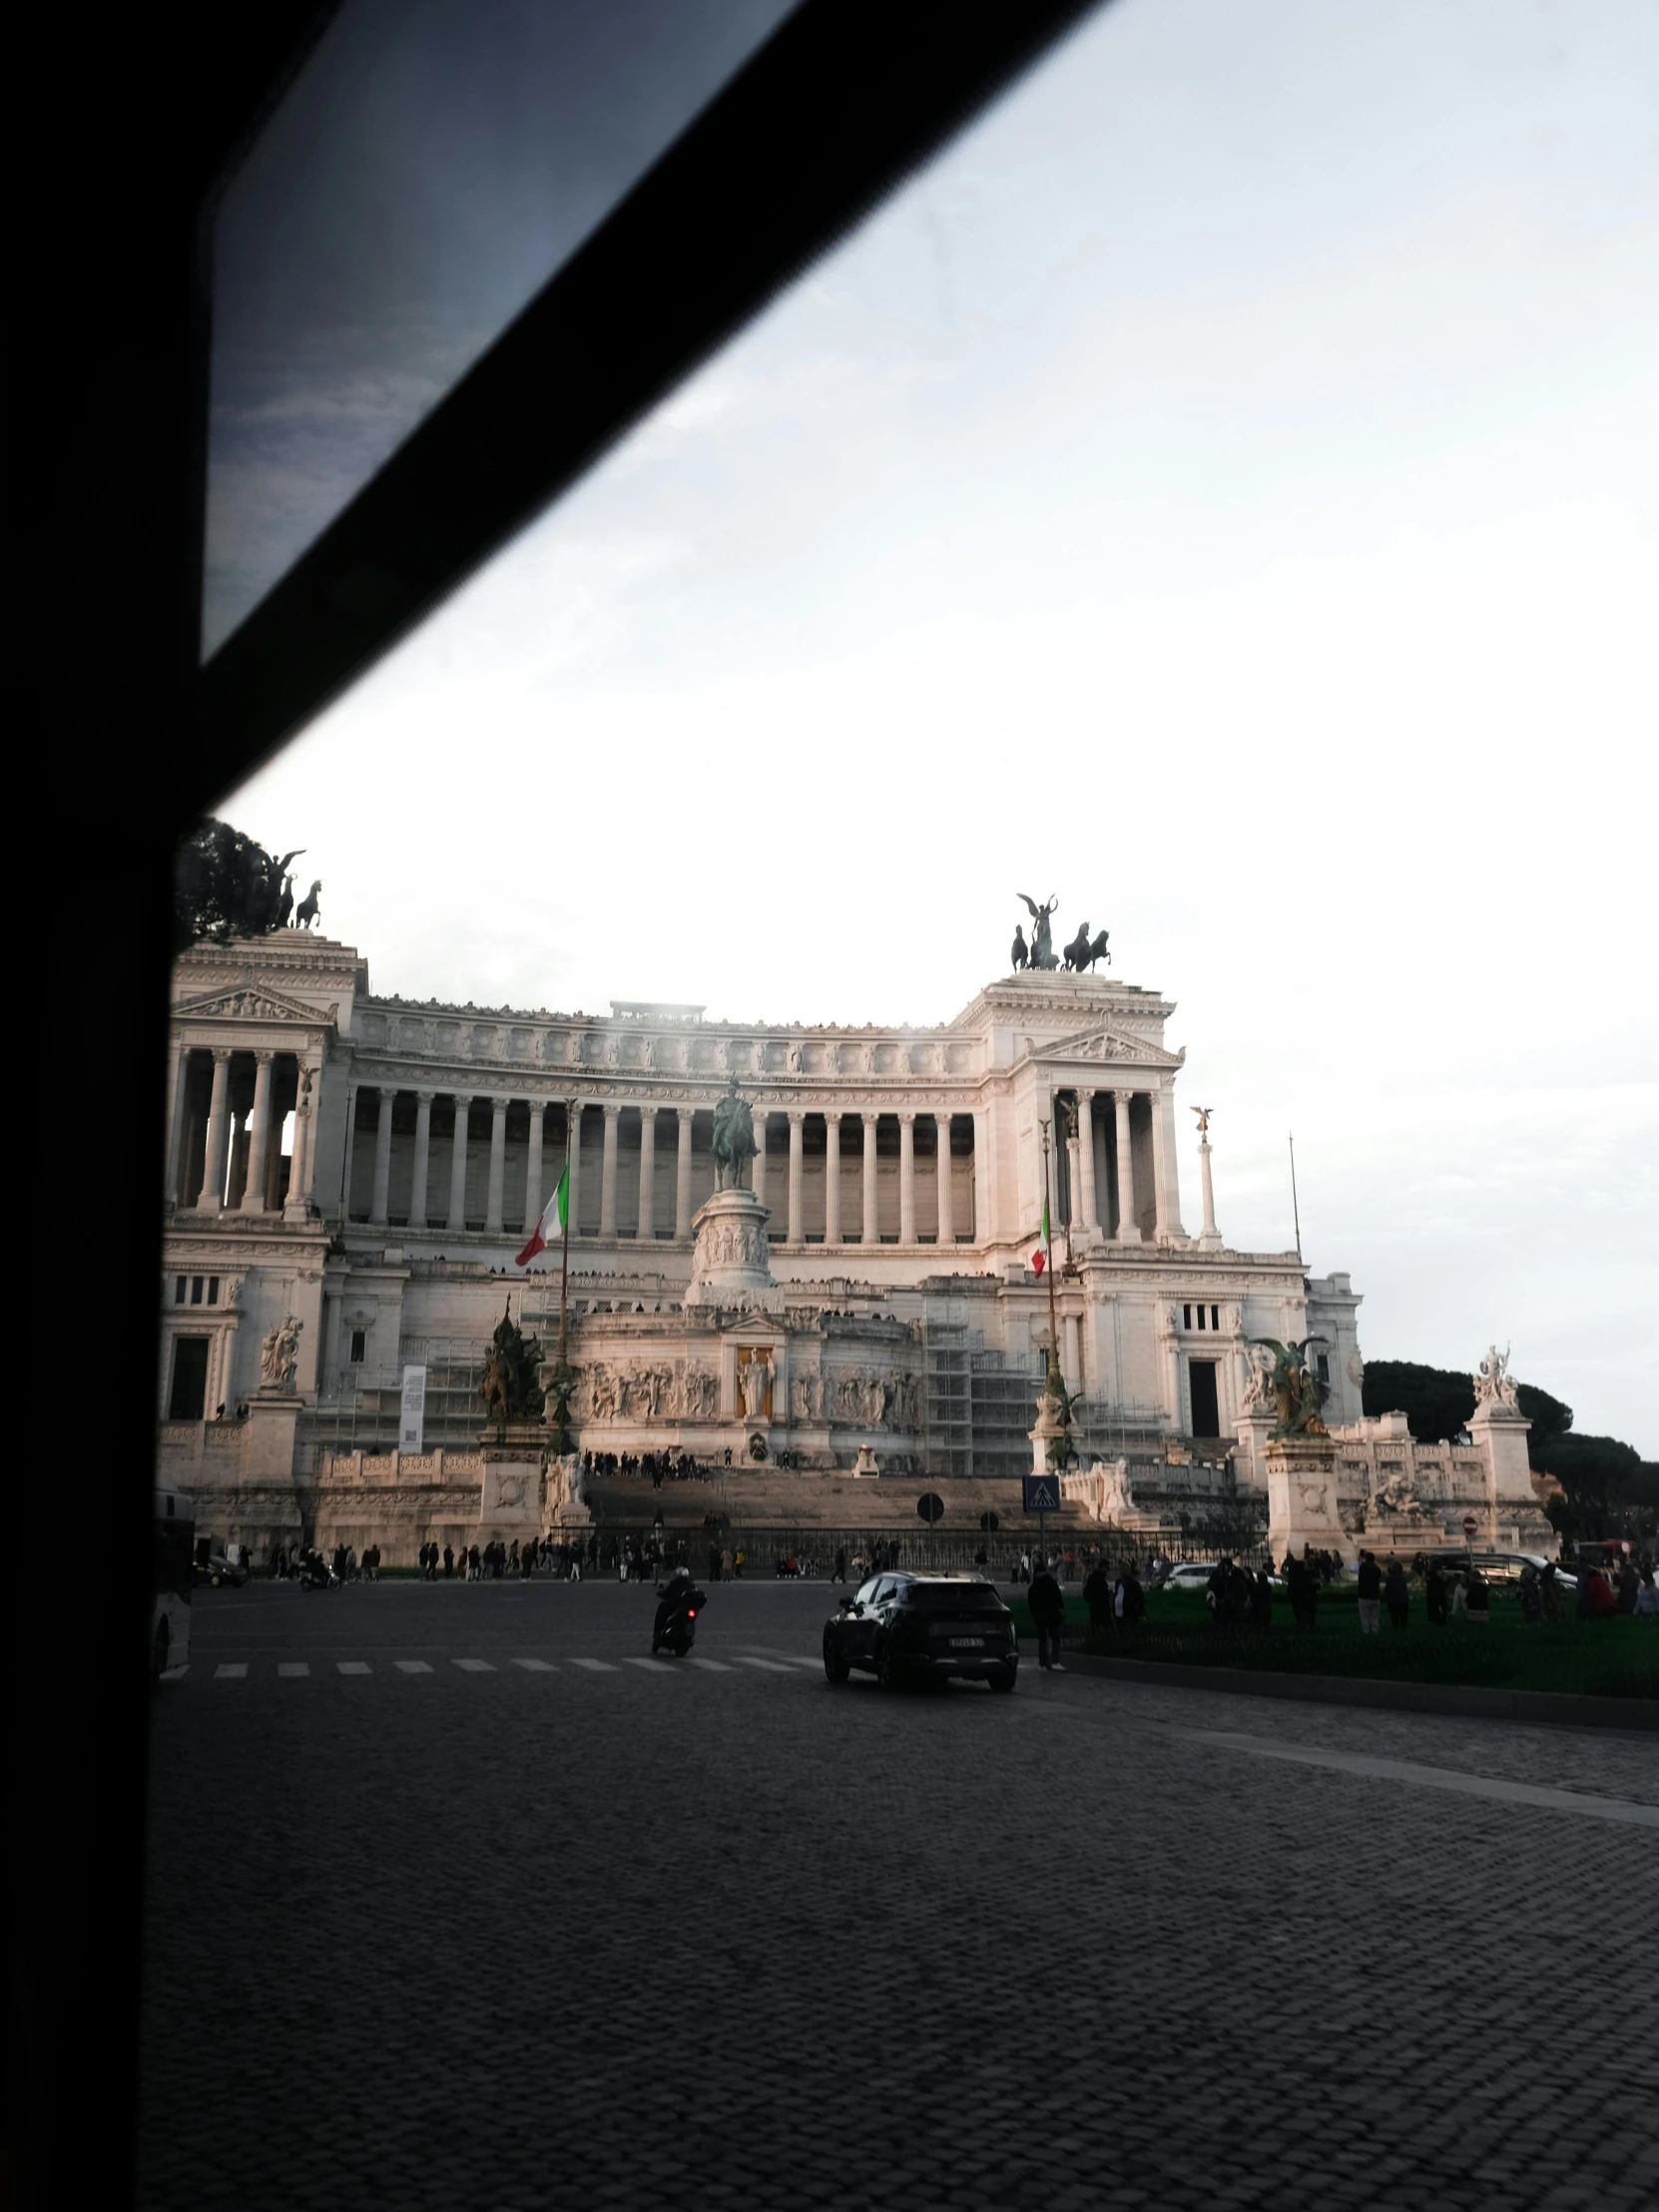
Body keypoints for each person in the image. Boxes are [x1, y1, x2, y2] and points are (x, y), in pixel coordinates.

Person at [1028, 1557, 1065, 1671]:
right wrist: (1061, 1606)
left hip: (1039, 1614)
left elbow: (1031, 1601)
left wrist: (1033, 1614)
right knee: (1055, 1637)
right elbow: (1058, 1595)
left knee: (1042, 1639)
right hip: (1052, 1613)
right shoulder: (1050, 1581)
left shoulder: (1034, 1585)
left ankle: (1042, 1663)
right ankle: (1055, 1661)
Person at [1083, 1558, 1113, 1635]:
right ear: (1103, 1568)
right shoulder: (1099, 1579)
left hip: (1095, 1610)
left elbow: (1086, 1595)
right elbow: (1101, 1595)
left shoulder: (1093, 1578)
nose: (1108, 1571)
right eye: (1107, 1568)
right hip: (1101, 1611)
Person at [1356, 1551, 1382, 1635]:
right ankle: (1375, 1631)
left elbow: (1353, 1569)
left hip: (1364, 1596)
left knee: (1365, 1617)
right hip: (1375, 1595)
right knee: (1375, 1617)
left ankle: (1366, 1633)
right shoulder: (1377, 1569)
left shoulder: (1362, 1567)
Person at [1383, 1557, 1409, 1632]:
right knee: (1403, 1619)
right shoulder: (1403, 1578)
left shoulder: (1389, 1578)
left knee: (1394, 1619)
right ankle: (1403, 1632)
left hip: (1393, 1602)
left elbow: (1387, 1590)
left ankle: (1395, 1632)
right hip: (1403, 1601)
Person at [1425, 1559, 1448, 1627]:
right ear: (1436, 1571)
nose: (1442, 1572)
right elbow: (1440, 1591)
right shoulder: (1435, 1580)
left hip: (1434, 1603)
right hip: (1437, 1604)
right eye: (1440, 1570)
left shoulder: (1431, 1579)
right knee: (1440, 1621)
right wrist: (1445, 1581)